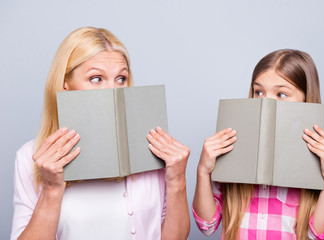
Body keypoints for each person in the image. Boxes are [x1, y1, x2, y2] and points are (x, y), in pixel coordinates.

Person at [11, 27, 190, 240]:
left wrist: (178, 180)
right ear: (65, 84)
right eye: (96, 79)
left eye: (121, 79)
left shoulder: (154, 152)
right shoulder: (31, 157)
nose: (112, 91)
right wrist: (51, 189)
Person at [192, 49, 324, 240]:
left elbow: (317, 234)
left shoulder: (318, 157)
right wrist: (203, 171)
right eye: (259, 92)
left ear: (306, 99)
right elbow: (207, 225)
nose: (267, 102)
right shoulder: (231, 147)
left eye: (281, 94)